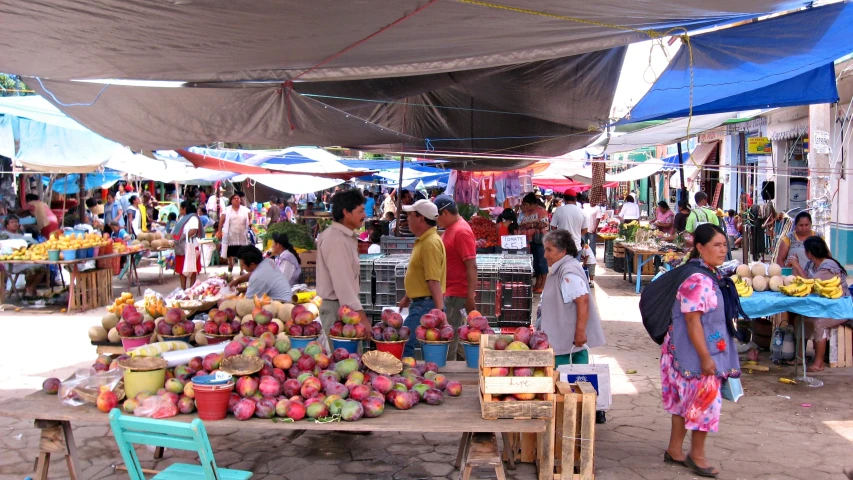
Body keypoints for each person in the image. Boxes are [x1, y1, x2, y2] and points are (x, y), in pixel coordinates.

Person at [660, 223, 739, 478]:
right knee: (706, 403)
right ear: (700, 248)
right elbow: (693, 322)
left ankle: (674, 450)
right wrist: (706, 358)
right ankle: (697, 454)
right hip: (691, 355)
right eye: (716, 245)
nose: (722, 250)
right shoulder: (698, 279)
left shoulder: (707, 273)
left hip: (682, 353)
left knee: (683, 403)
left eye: (724, 245)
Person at [538, 229, 605, 365]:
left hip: (569, 345)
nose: (545, 255)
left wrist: (580, 332)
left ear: (563, 250)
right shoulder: (561, 268)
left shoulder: (568, 271)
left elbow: (582, 301)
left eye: (549, 250)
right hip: (564, 342)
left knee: (570, 382)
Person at [788, 236, 848, 371]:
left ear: (810, 252)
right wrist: (795, 266)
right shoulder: (812, 264)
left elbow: (811, 285)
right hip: (824, 306)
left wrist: (797, 265)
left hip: (839, 308)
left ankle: (818, 363)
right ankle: (800, 357)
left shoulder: (829, 266)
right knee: (799, 320)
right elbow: (803, 281)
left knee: (819, 323)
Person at [316, 189, 370, 333]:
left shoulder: (342, 237)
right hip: (338, 309)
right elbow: (343, 284)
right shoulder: (336, 240)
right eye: (360, 211)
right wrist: (362, 317)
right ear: (346, 212)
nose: (364, 215)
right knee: (345, 355)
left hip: (343, 308)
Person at [399, 199, 446, 358]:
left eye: (410, 215)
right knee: (408, 341)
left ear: (421, 218)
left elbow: (433, 280)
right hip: (420, 302)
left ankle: (407, 375)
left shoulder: (430, 243)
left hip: (425, 304)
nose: (408, 219)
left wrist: (440, 312)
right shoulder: (424, 240)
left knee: (404, 341)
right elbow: (421, 274)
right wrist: (407, 297)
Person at [434, 195, 476, 360]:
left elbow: (471, 265)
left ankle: (449, 372)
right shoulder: (451, 228)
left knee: (450, 337)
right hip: (450, 291)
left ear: (444, 213)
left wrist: (470, 296)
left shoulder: (461, 231)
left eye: (437, 216)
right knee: (456, 336)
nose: (436, 220)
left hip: (457, 293)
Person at [1, 215, 47, 297]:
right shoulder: (4, 235)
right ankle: (30, 289)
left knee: (42, 267)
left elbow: (33, 244)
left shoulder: (21, 235)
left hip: (25, 261)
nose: (15, 224)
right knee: (33, 269)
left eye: (16, 222)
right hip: (13, 263)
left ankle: (30, 288)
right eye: (12, 222)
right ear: (7, 225)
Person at [518, 193, 549, 294]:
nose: (525, 207)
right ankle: (538, 283)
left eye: (526, 205)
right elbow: (522, 225)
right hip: (530, 241)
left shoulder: (541, 211)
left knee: (542, 262)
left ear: (532, 204)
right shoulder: (527, 213)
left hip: (540, 241)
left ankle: (543, 284)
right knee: (535, 263)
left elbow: (544, 224)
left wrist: (530, 224)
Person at [216, 193, 252, 275]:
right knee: (230, 252)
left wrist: (250, 222)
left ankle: (241, 269)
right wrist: (219, 231)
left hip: (242, 234)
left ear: (240, 200)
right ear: (231, 201)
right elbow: (221, 221)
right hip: (230, 234)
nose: (236, 199)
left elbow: (250, 216)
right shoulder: (227, 210)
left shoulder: (245, 209)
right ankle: (231, 264)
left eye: (238, 198)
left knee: (242, 252)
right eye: (234, 198)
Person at [171, 201, 203, 290]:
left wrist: (183, 237)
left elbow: (193, 230)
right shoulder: (182, 218)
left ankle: (192, 289)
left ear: (184, 208)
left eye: (180, 208)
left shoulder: (193, 218)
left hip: (191, 246)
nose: (180, 210)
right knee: (182, 269)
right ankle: (183, 289)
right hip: (181, 247)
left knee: (192, 269)